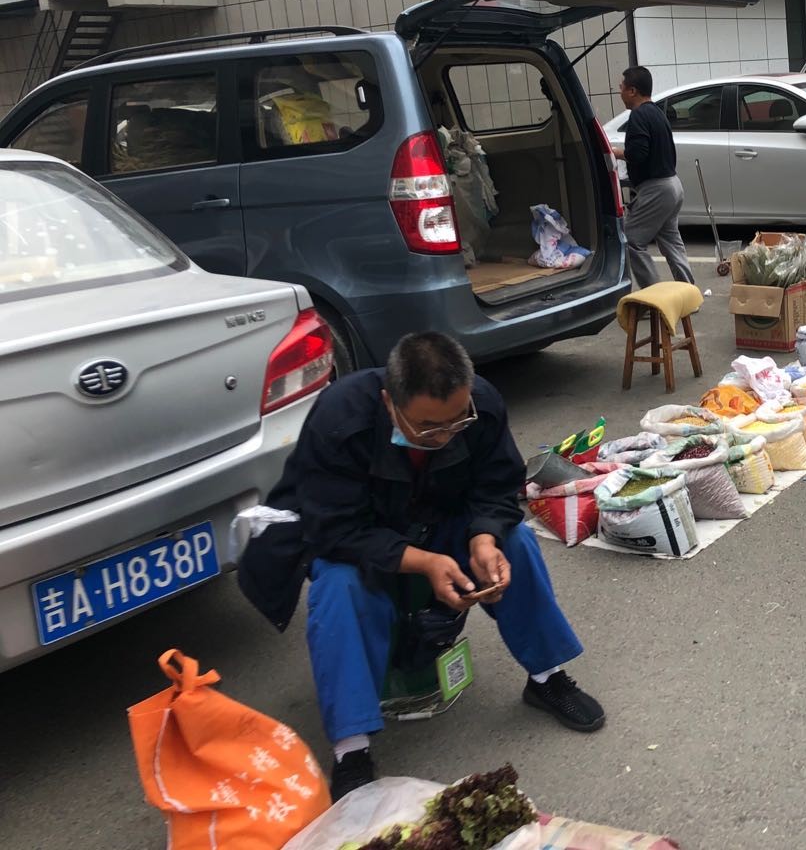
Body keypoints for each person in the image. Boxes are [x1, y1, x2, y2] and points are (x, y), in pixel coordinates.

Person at [239, 332, 605, 800]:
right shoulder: (339, 416)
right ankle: (351, 748)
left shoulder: (481, 404)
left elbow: (498, 485)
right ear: (389, 402)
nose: (447, 435)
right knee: (338, 584)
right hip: (363, 535)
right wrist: (424, 562)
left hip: (441, 522)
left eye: (458, 421)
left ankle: (546, 678)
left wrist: (484, 537)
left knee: (516, 543)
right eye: (429, 428)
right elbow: (331, 528)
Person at [612, 66, 694, 289]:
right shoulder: (657, 112)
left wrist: (616, 152)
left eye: (622, 87)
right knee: (671, 243)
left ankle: (653, 295)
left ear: (632, 91)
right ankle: (689, 293)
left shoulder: (638, 115)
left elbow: (638, 154)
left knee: (631, 240)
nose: (619, 91)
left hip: (656, 189)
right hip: (673, 185)